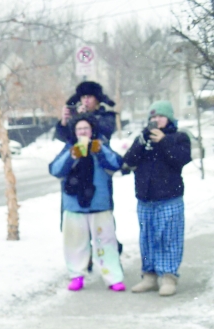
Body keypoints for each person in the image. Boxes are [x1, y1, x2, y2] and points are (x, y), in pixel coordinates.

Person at [122, 101, 193, 296]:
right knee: (147, 239)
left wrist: (164, 141)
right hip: (145, 198)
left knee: (169, 237)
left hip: (169, 197)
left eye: (160, 116)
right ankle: (149, 277)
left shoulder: (179, 137)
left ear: (168, 117)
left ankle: (169, 277)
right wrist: (141, 141)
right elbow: (128, 162)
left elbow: (181, 159)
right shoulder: (143, 140)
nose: (156, 120)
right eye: (152, 117)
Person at [49, 116, 125, 291]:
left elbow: (116, 164)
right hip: (74, 205)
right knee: (75, 243)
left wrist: (99, 151)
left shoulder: (100, 146)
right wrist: (72, 155)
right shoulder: (69, 148)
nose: (83, 132)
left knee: (106, 242)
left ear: (92, 131)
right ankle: (76, 275)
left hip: (99, 204)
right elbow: (55, 169)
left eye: (86, 128)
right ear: (74, 132)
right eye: (79, 129)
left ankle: (113, 277)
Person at [55, 81, 117, 145]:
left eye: (89, 97)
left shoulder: (107, 115)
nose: (86, 100)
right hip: (77, 153)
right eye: (83, 97)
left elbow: (105, 130)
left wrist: (85, 116)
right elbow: (64, 137)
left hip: (99, 152)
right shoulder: (76, 116)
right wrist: (64, 122)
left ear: (97, 99)